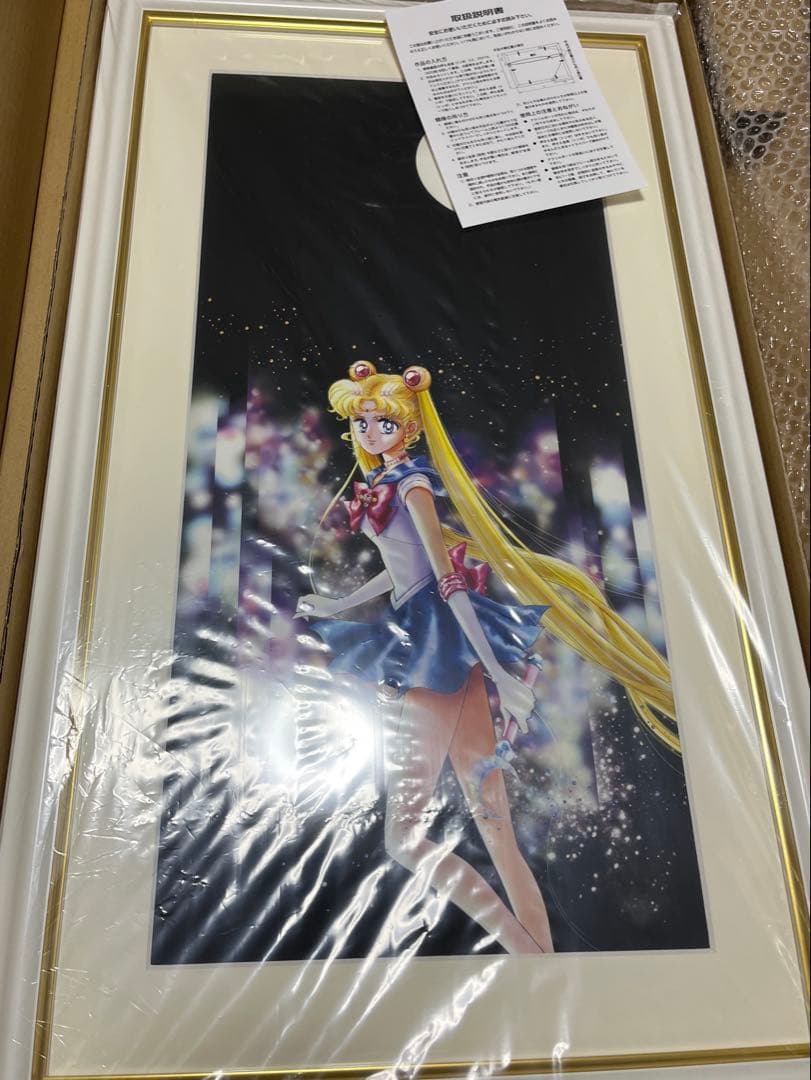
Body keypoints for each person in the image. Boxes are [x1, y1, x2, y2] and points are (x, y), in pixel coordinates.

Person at [296, 362, 675, 955]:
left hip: (436, 646)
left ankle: (524, 953)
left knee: (404, 836)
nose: (370, 431)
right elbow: (404, 573)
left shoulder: (412, 485)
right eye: (362, 422)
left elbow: (445, 580)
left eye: (383, 422)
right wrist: (339, 602)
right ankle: (543, 963)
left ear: (408, 427)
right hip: (431, 637)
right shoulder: (388, 481)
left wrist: (499, 672)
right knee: (494, 825)